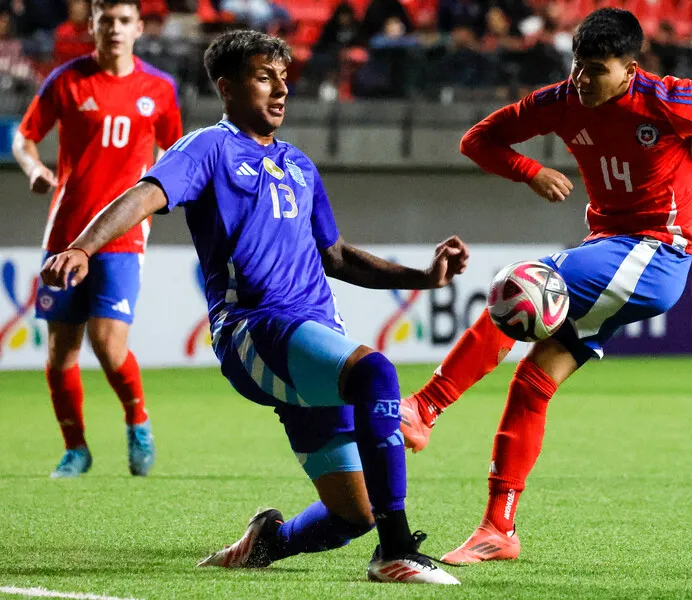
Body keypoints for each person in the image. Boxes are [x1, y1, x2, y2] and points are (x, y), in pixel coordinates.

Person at [398, 7, 692, 565]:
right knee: (532, 380)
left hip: (659, 253)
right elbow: (478, 140)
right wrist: (530, 171)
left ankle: (425, 408)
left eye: (596, 69)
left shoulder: (673, 100)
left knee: (525, 289)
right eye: (578, 66)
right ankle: (498, 528)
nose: (583, 80)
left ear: (630, 68)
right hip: (609, 250)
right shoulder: (561, 100)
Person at [41, 29, 465, 585]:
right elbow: (145, 195)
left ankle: (268, 541)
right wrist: (82, 246)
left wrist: (422, 277)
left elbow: (334, 255)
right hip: (254, 331)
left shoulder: (298, 164)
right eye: (265, 77)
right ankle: (397, 550)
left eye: (284, 78)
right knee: (376, 372)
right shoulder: (208, 147)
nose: (280, 89)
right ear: (227, 87)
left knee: (351, 514)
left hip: (313, 338)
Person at [13, 0, 182, 479]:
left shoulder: (159, 88)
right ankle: (76, 449)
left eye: (124, 20)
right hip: (65, 232)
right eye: (106, 20)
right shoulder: (66, 80)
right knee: (61, 350)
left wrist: (161, 199)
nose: (114, 28)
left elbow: (176, 153)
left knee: (107, 344)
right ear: (92, 26)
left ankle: (137, 420)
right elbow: (24, 137)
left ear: (139, 28)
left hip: (123, 236)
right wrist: (34, 168)